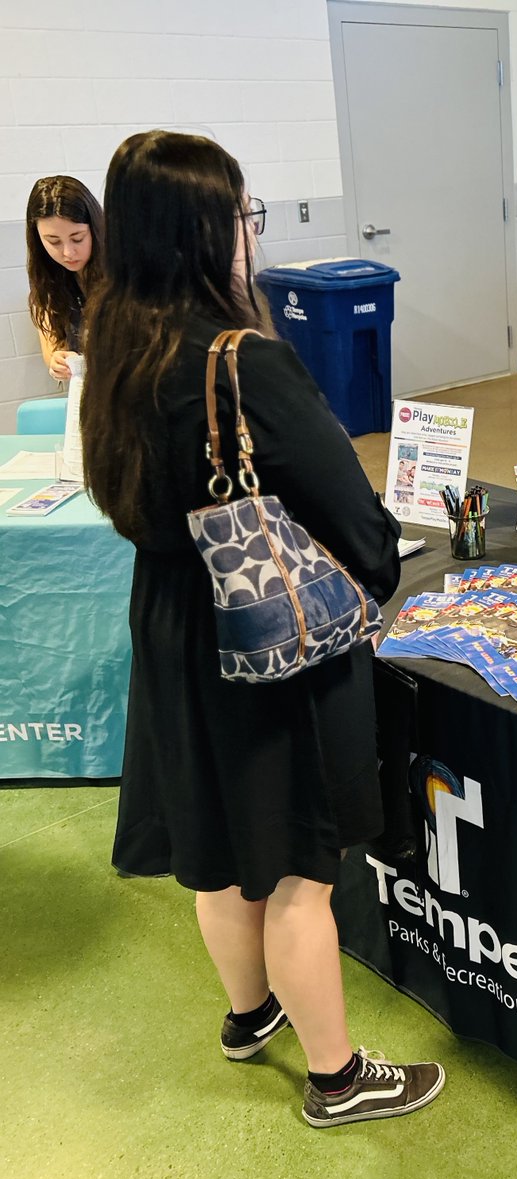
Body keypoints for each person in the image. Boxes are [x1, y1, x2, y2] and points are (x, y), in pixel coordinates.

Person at [80, 131, 444, 1128]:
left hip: (167, 616)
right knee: (294, 863)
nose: (253, 235)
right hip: (263, 631)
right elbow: (354, 516)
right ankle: (337, 1078)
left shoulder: (115, 347)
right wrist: (373, 581)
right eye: (245, 216)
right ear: (204, 230)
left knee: (217, 840)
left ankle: (250, 1015)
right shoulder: (244, 360)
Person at [26, 175, 103, 382]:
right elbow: (52, 352)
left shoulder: (121, 273)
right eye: (54, 241)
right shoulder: (47, 285)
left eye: (77, 238)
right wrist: (58, 362)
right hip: (90, 394)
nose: (68, 253)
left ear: (95, 229)